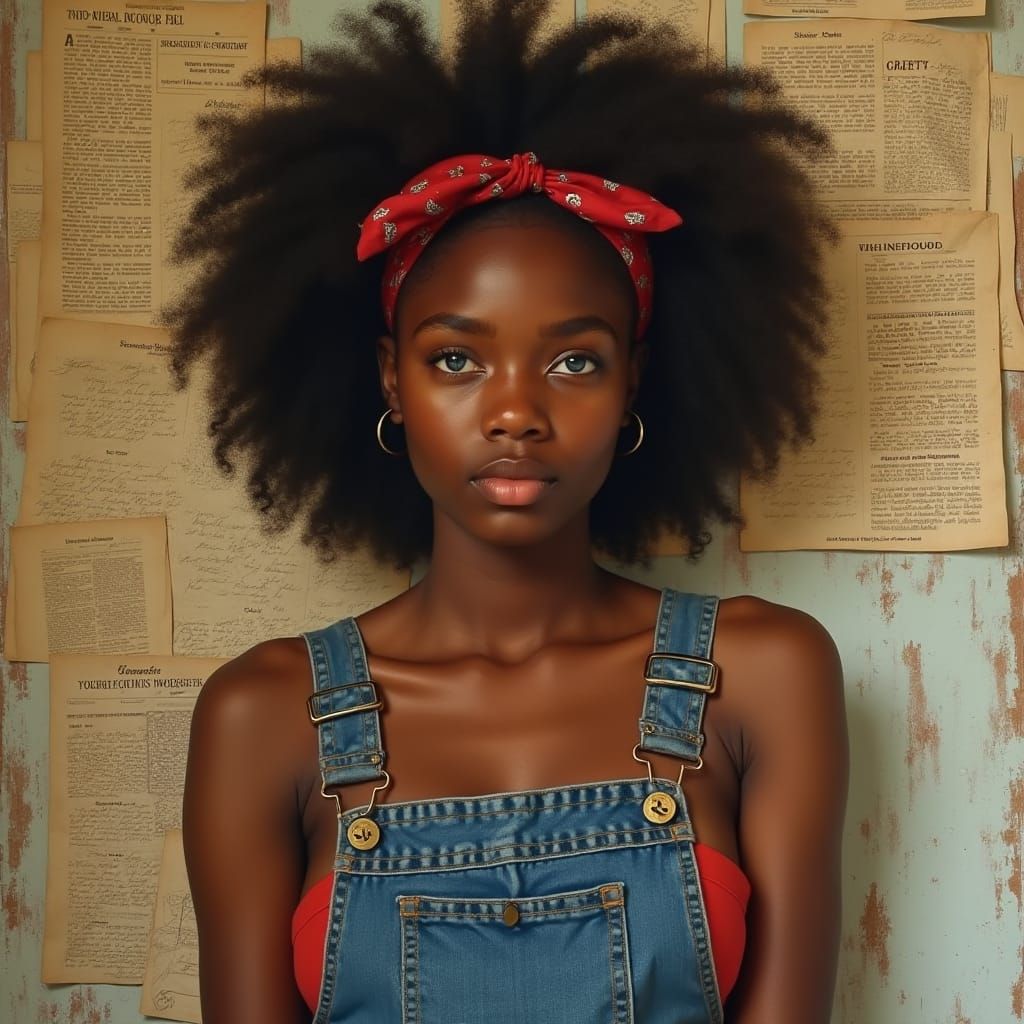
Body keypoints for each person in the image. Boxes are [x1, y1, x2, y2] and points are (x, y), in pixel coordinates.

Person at [172, 1, 849, 1021]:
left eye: (575, 359)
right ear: (391, 383)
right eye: (456, 358)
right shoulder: (260, 715)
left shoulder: (761, 675)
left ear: (633, 386)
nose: (516, 413)